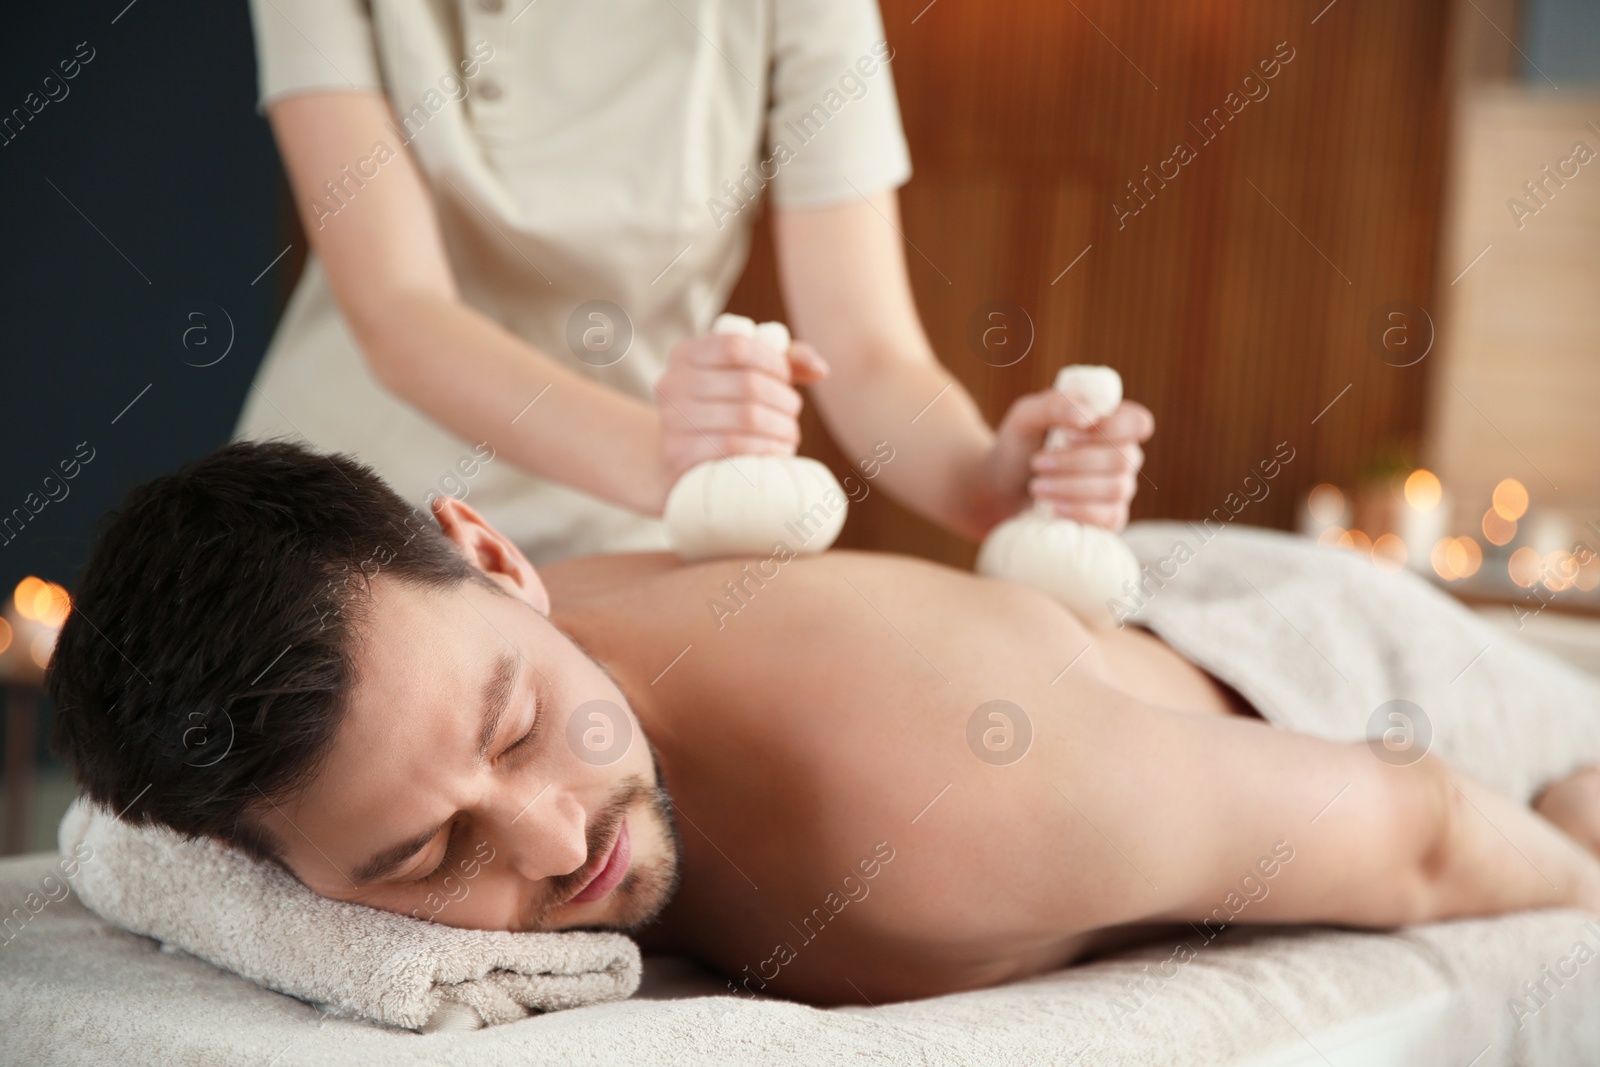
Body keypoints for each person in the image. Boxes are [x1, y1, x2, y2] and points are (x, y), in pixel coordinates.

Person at [48, 442, 1600, 1005]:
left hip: (1338, 656)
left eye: (521, 727)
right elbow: (125, 831)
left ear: (501, 556)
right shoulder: (423, 660)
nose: (552, 837)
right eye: (424, 848)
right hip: (1100, 624)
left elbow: (1426, 822)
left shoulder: (942, 803)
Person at [238, 0, 1154, 566]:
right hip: (352, 513)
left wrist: (983, 482)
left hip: (634, 534)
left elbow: (868, 348)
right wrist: (677, 456)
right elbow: (400, 312)